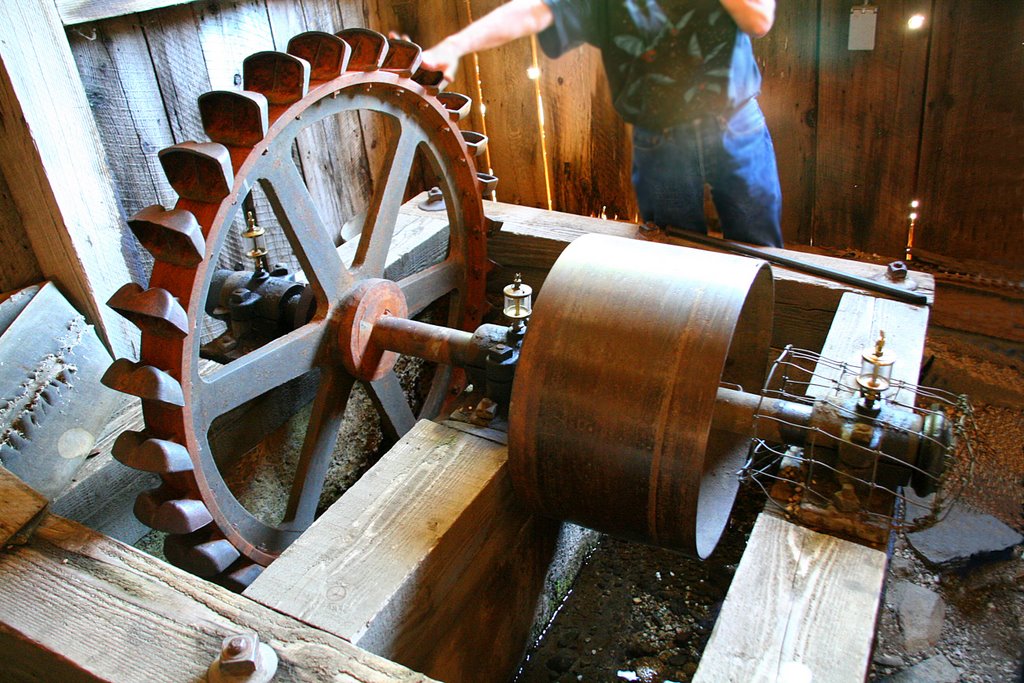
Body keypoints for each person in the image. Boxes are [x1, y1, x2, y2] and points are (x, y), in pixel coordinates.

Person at [421, 0, 784, 248]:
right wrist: (455, 45)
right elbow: (534, 11)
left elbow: (760, 18)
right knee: (675, 257)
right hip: (661, 140)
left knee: (761, 249)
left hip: (737, 126)